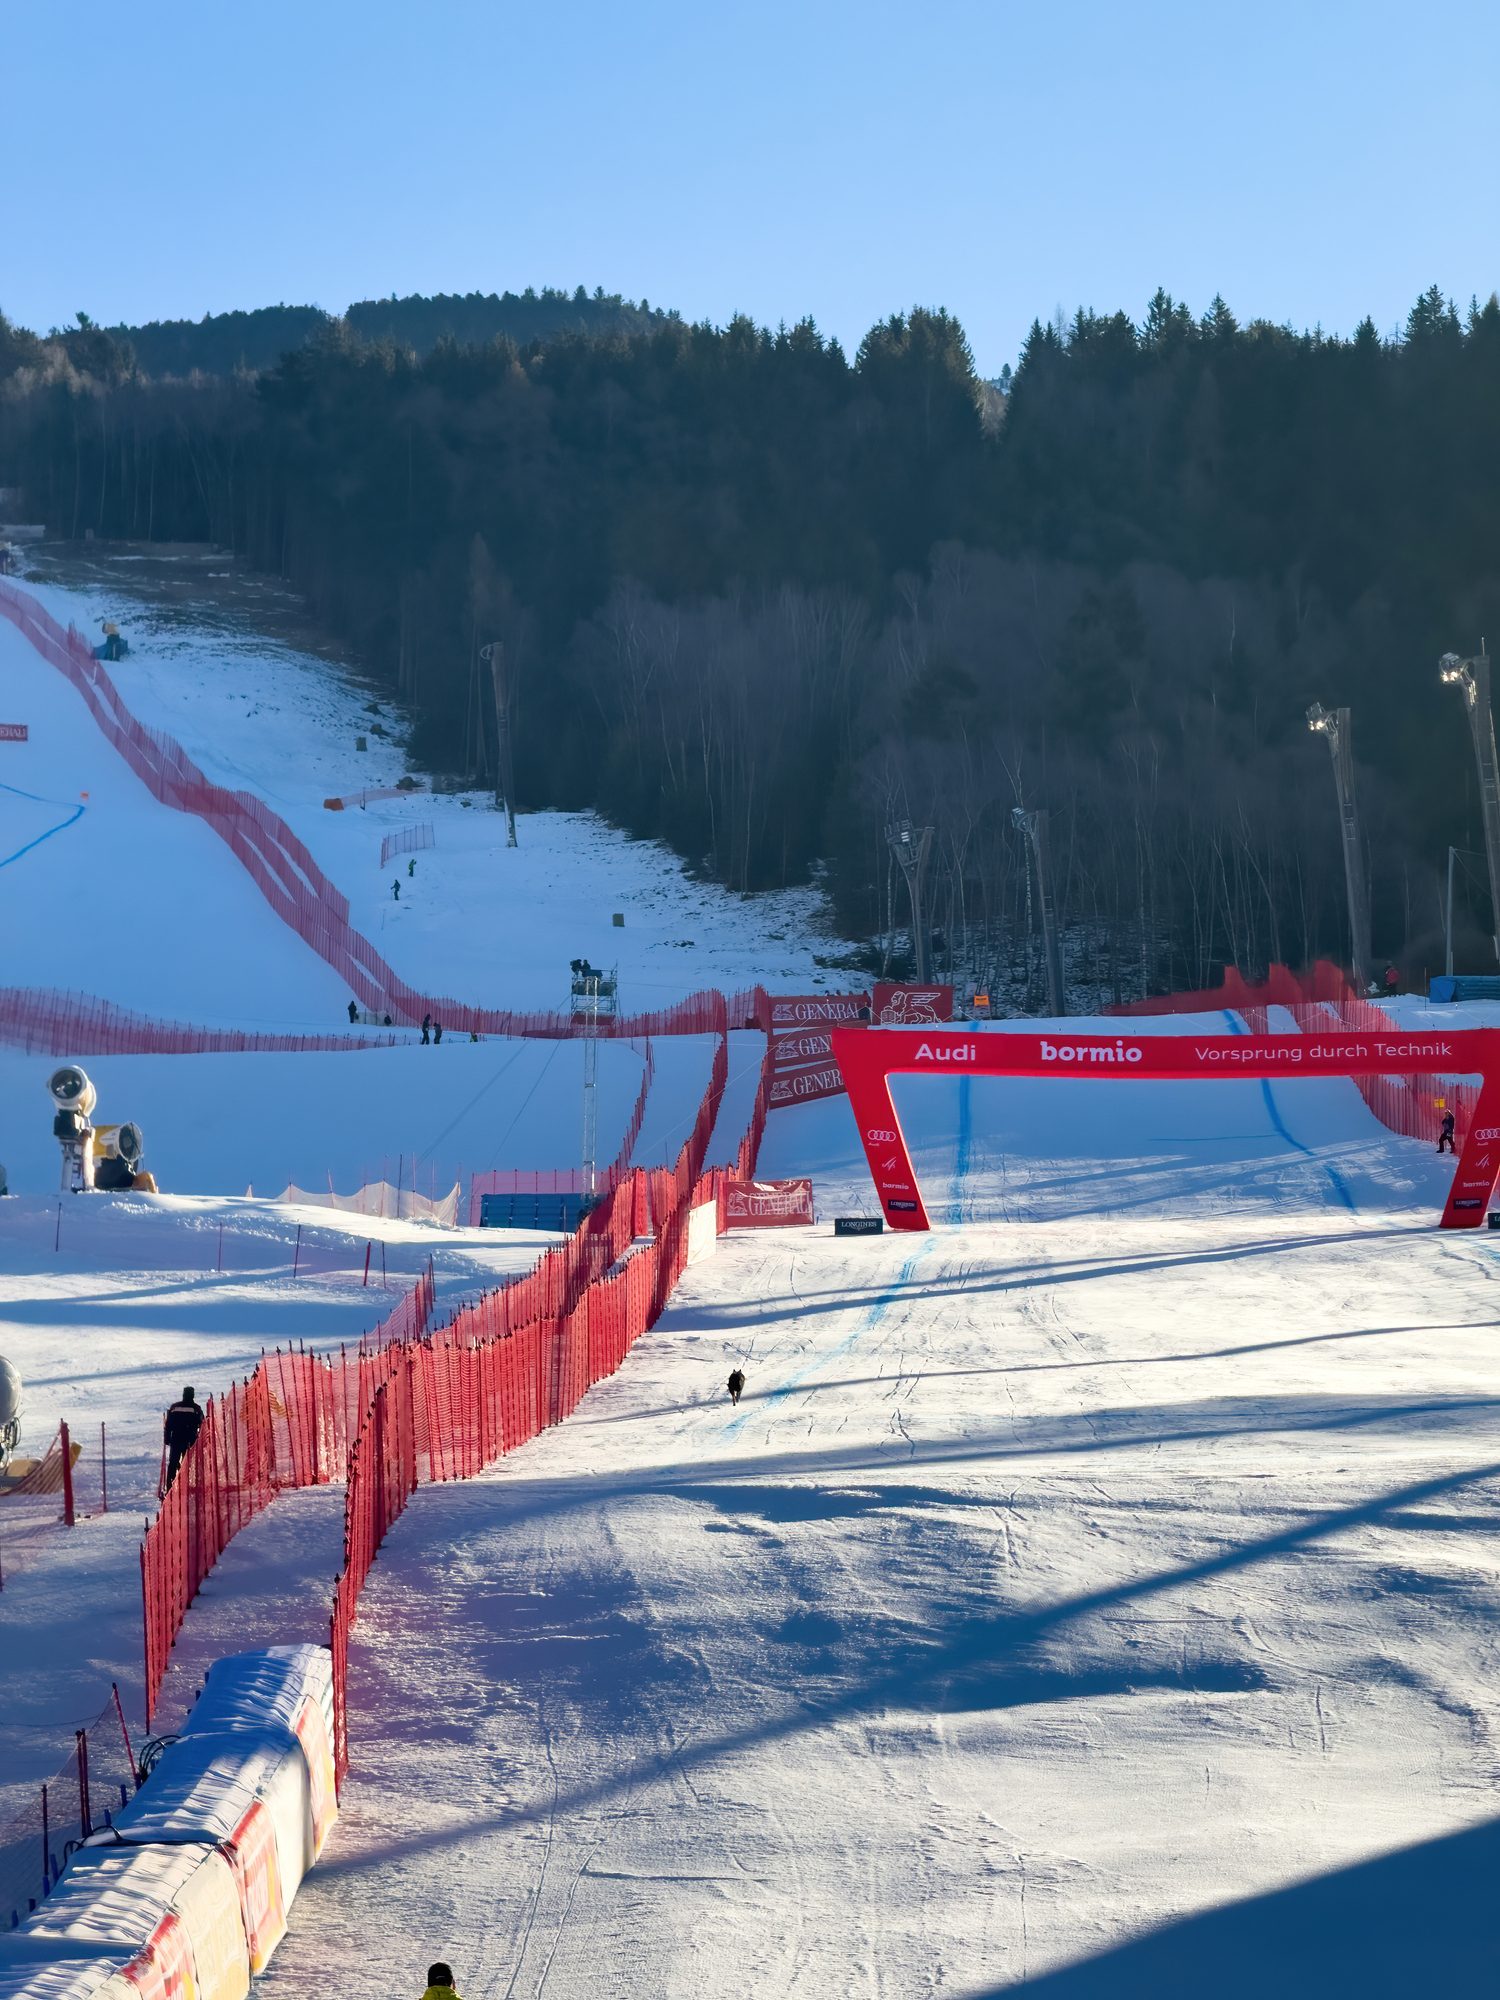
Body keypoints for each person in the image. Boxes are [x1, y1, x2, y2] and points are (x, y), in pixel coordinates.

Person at [163, 1387, 204, 1489]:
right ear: (193, 1395)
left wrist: (167, 1438)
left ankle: (170, 1487)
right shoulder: (196, 1408)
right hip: (190, 1440)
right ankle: (188, 1485)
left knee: (173, 1463)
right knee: (188, 1463)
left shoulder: (174, 1407)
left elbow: (168, 1425)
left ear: (183, 1394)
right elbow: (203, 1424)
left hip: (176, 1438)